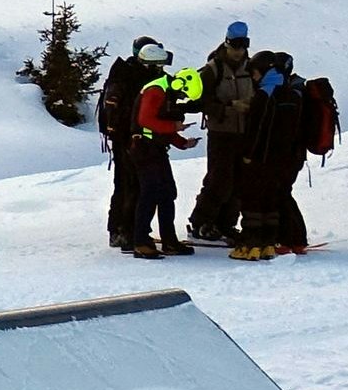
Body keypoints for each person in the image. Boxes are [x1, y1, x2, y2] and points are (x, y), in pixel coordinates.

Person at [234, 51, 317, 258]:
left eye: (254, 73)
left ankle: (256, 244)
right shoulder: (290, 91)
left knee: (258, 198)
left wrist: (248, 155)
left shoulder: (266, 93)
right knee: (275, 197)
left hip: (263, 159)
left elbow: (258, 128)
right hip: (288, 156)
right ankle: (276, 241)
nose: (252, 77)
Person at [187, 21, 257, 244]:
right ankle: (201, 222)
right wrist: (228, 108)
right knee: (219, 180)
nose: (238, 51)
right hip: (221, 133)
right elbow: (200, 101)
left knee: (240, 180)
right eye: (235, 46)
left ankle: (226, 224)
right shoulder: (213, 69)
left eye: (242, 46)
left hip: (244, 132)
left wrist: (250, 106)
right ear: (227, 44)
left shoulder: (251, 68)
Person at [122, 51, 196, 256]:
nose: (182, 98)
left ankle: (169, 240)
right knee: (150, 193)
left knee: (166, 193)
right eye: (183, 95)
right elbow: (146, 121)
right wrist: (175, 126)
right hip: (144, 149)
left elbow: (159, 126)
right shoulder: (156, 90)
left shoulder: (165, 92)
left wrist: (182, 143)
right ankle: (141, 241)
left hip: (154, 148)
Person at [102, 37, 169, 250]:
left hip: (130, 138)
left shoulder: (128, 73)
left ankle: (122, 229)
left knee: (128, 184)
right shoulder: (129, 76)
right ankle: (126, 230)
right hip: (129, 138)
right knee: (131, 184)